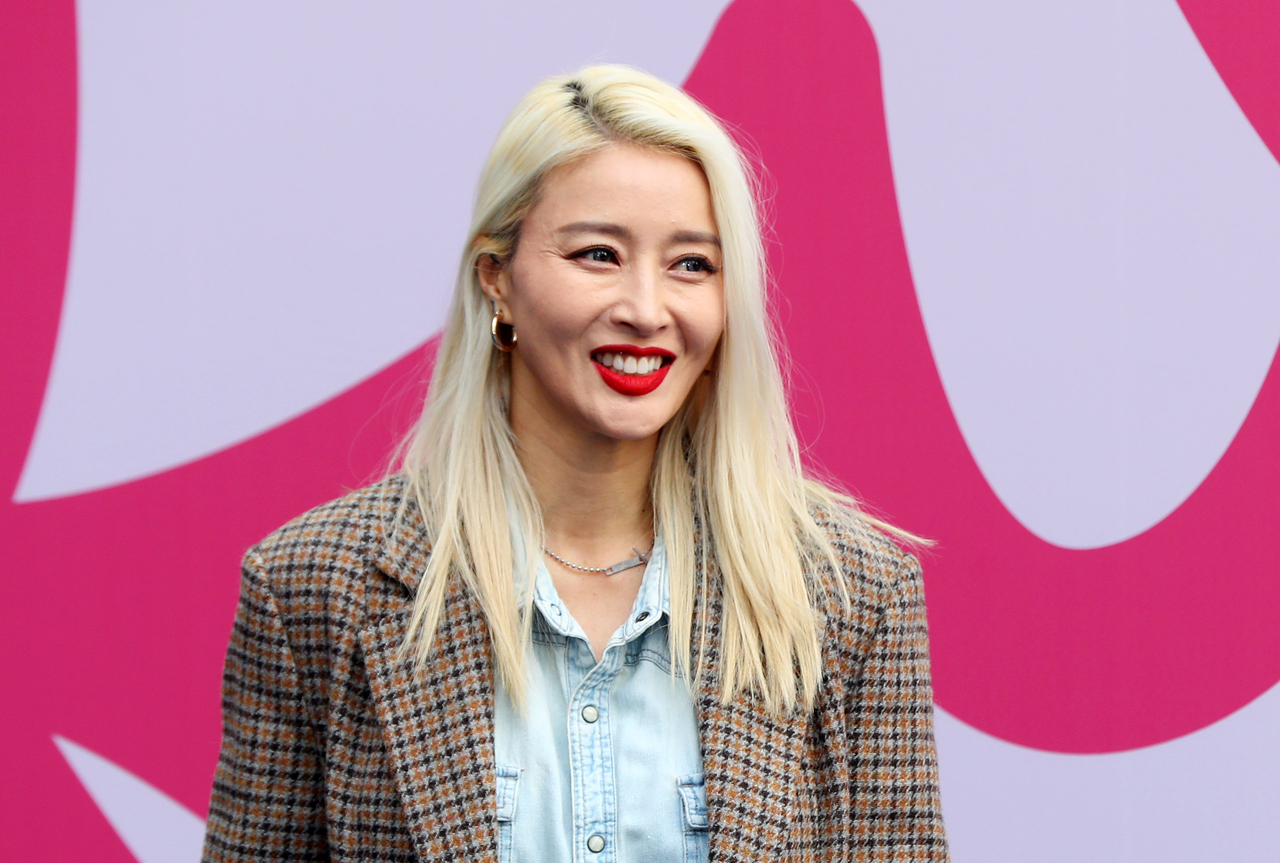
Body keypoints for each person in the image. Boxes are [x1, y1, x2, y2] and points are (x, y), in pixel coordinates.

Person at [202, 64, 948, 862]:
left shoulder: (852, 594)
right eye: (599, 253)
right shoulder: (314, 589)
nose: (646, 309)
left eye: (691, 264)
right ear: (498, 279)